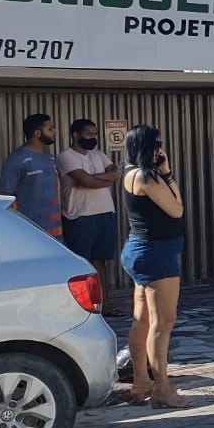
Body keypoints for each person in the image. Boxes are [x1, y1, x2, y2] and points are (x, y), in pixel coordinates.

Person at [118, 124, 188, 408]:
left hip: (139, 250)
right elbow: (177, 208)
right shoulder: (147, 177)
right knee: (163, 322)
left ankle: (140, 382)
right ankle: (162, 388)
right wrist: (168, 175)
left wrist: (166, 173)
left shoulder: (129, 173)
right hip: (156, 253)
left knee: (142, 320)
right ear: (147, 147)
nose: (160, 149)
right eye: (156, 144)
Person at [58, 118, 120, 311]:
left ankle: (105, 304)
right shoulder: (66, 156)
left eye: (95, 134)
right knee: (81, 262)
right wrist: (102, 179)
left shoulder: (98, 153)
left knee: (100, 261)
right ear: (76, 135)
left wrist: (94, 178)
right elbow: (86, 182)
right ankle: (81, 306)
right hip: (80, 217)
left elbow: (115, 173)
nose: (93, 138)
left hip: (105, 213)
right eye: (89, 134)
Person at [0, 112, 61, 239]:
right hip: (30, 232)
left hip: (55, 233)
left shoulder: (49, 158)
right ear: (37, 133)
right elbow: (5, 196)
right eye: (50, 129)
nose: (54, 132)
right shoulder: (17, 159)